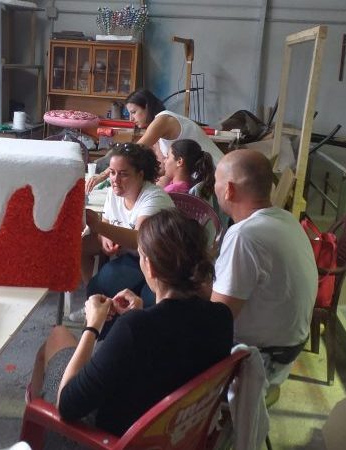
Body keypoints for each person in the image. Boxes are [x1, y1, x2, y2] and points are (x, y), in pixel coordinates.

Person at [29, 209, 233, 439]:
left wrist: (92, 327)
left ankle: (41, 433)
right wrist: (141, 314)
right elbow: (171, 342)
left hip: (108, 439)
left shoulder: (134, 329)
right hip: (172, 434)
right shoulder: (221, 318)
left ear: (150, 267)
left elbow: (67, 405)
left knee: (57, 335)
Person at [210, 148, 317, 385]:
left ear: (229, 190)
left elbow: (217, 319)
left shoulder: (244, 235)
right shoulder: (286, 219)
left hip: (259, 361)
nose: (214, 187)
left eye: (216, 181)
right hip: (286, 350)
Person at [81, 143, 175, 309]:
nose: (115, 180)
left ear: (140, 174)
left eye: (123, 174)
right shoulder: (114, 192)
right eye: (112, 172)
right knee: (87, 258)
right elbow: (107, 222)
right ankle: (96, 306)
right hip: (132, 257)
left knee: (148, 299)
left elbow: (139, 239)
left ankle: (102, 308)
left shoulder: (154, 197)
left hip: (158, 261)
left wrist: (98, 226)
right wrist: (104, 237)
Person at [86, 88, 222, 192]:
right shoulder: (160, 131)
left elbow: (132, 151)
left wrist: (103, 175)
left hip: (218, 173)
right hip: (204, 177)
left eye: (133, 112)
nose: (131, 119)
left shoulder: (163, 120)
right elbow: (162, 168)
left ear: (147, 106)